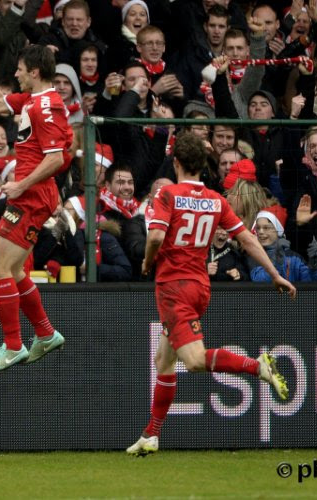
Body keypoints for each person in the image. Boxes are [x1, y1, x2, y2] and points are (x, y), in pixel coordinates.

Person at [126, 132, 296, 456]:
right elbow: (246, 238)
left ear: (175, 162)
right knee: (164, 360)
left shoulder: (168, 195)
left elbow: (155, 237)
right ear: (203, 164)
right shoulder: (217, 200)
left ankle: (257, 366)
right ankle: (151, 434)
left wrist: (148, 263)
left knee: (192, 362)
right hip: (201, 286)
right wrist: (274, 274)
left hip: (174, 288)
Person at [0, 44, 72, 372]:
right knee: (14, 271)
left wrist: (20, 183)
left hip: (31, 195)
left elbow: (56, 158)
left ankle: (14, 346)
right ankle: (44, 334)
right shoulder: (32, 101)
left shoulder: (47, 106)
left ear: (34, 72)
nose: (15, 74)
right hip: (31, 195)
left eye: (19, 69)